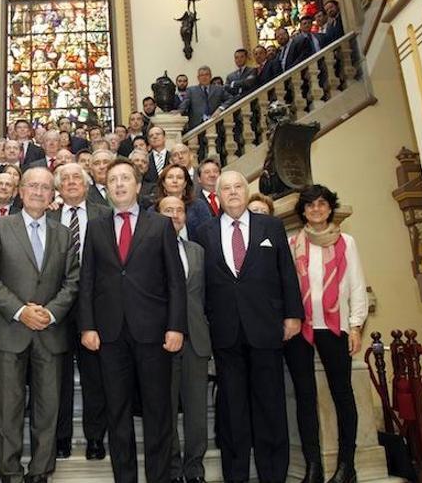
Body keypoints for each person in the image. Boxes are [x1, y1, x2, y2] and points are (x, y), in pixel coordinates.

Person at [78, 157, 186, 483]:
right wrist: (87, 326)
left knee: (158, 411)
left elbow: (175, 282)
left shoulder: (160, 225)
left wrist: (176, 326)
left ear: (138, 186)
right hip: (110, 335)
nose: (120, 184)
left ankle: (159, 478)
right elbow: (87, 281)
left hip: (154, 333)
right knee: (117, 412)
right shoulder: (95, 228)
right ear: (107, 189)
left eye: (126, 179)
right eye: (113, 181)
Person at [194, 170, 304, 483]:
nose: (232, 193)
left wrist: (292, 315)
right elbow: (201, 286)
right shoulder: (204, 231)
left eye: (238, 187)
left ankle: (273, 475)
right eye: (225, 188)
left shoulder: (271, 226)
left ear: (247, 190)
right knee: (233, 412)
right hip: (225, 334)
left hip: (266, 329)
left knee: (271, 406)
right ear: (217, 195)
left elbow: (286, 273)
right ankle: (236, 474)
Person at [0, 168, 80, 483]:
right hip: (9, 332)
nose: (38, 191)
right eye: (32, 186)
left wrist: (48, 313)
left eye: (45, 187)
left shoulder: (64, 233)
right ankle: (8, 472)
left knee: (47, 409)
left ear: (53, 196)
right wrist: (21, 311)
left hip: (50, 332)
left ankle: (40, 471)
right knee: (7, 411)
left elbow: (72, 281)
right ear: (21, 191)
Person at [285, 185, 368, 483]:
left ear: (330, 208)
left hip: (335, 328)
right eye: (310, 205)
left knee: (342, 394)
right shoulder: (292, 243)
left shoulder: (347, 242)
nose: (316, 209)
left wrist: (356, 325)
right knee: (305, 398)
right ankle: (313, 467)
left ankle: (347, 465)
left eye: (322, 204)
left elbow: (357, 285)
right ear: (303, 211)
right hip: (299, 329)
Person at [50, 163, 110, 461]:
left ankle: (95, 437)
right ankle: (60, 437)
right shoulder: (47, 216)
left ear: (87, 185)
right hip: (56, 308)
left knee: (94, 377)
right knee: (56, 378)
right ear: (58, 187)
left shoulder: (104, 215)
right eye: (66, 178)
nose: (72, 182)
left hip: (97, 308)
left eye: (77, 177)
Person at [156, 196, 211, 483]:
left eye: (179, 210)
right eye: (168, 210)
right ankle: (174, 470)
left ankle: (195, 469)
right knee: (165, 409)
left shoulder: (198, 251)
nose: (175, 215)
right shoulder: (148, 251)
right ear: (157, 215)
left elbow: (206, 296)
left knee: (196, 412)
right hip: (163, 340)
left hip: (197, 341)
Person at [154, 164, 212, 239]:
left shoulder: (198, 205)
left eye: (179, 178)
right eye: (170, 177)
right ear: (163, 183)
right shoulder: (154, 209)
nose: (175, 181)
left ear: (185, 183)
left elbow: (208, 233)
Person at [179, 66, 234, 130]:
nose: (204, 77)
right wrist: (177, 112)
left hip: (215, 124)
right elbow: (184, 105)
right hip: (197, 127)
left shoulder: (218, 89)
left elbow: (231, 99)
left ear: (210, 76)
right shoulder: (191, 90)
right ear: (198, 78)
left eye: (206, 74)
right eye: (201, 75)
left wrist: (220, 108)